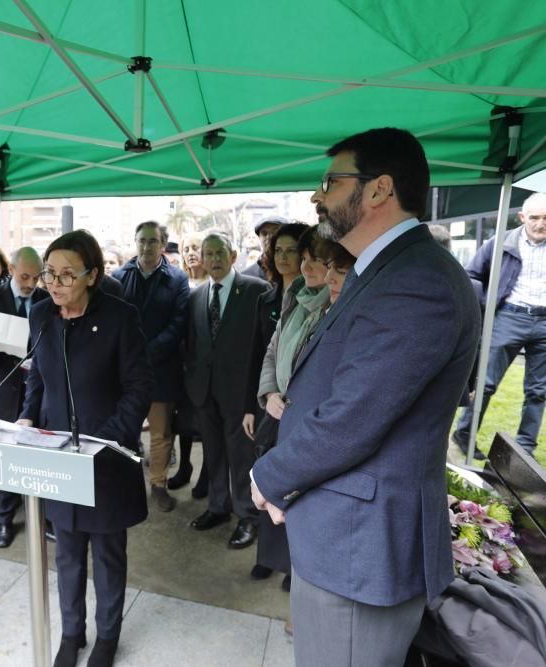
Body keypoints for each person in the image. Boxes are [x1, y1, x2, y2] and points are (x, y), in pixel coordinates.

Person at [251, 128, 480, 666]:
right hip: (344, 536)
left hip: (360, 550)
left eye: (331, 182)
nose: (317, 196)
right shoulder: (385, 271)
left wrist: (270, 476)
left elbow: (352, 417)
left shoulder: (415, 280)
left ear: (378, 190)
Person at [18, 230, 152, 667]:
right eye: (48, 274)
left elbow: (138, 386)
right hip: (58, 457)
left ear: (92, 275)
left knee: (109, 555)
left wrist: (110, 438)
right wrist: (26, 417)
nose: (54, 284)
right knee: (69, 553)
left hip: (106, 457)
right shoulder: (41, 316)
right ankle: (71, 633)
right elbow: (37, 375)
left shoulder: (121, 316)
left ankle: (108, 637)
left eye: (66, 275)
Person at [243, 225, 323, 592]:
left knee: (296, 491)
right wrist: (268, 393)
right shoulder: (294, 297)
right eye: (298, 256)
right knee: (269, 482)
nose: (303, 265)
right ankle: (270, 558)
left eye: (312, 258)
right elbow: (271, 352)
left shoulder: (334, 304)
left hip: (305, 420)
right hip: (275, 411)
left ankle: (295, 565)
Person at [184, 233, 270, 549]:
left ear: (233, 255)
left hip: (241, 394)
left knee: (241, 456)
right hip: (204, 393)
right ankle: (218, 507)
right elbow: (192, 346)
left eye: (220, 252)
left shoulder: (256, 291)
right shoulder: (196, 297)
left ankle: (248, 515)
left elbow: (264, 348)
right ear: (202, 259)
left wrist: (255, 399)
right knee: (214, 453)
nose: (214, 259)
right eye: (208, 253)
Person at [453, 191, 546, 456]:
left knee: (538, 391)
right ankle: (464, 435)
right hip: (509, 316)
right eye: (535, 218)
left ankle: (525, 447)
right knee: (486, 382)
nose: (541, 224)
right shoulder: (501, 242)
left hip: (544, 320)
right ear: (522, 217)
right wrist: (487, 307)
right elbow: (471, 275)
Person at [0, 247, 49, 547]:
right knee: (1, 455)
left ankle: (45, 516)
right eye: (25, 276)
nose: (31, 283)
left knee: (39, 454)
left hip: (38, 389)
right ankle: (4, 519)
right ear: (11, 270)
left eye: (36, 277)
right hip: (1, 386)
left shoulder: (45, 298)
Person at [112, 221, 189, 512]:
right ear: (135, 242)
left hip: (162, 369)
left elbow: (179, 322)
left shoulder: (177, 278)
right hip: (127, 372)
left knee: (160, 433)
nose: (146, 247)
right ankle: (124, 484)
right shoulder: (119, 277)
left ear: (162, 244)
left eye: (152, 241)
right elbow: (114, 322)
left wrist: (147, 351)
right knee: (125, 430)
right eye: (141, 240)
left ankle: (158, 485)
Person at [167, 230, 210, 495]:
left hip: (206, 365)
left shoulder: (213, 281)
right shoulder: (180, 282)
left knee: (206, 422)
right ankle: (185, 467)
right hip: (181, 363)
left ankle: (206, 472)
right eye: (187, 248)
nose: (191, 252)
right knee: (183, 420)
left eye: (196, 247)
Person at [242, 215, 287, 280]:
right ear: (259, 238)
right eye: (264, 233)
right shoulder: (247, 276)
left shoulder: (302, 271)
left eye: (275, 232)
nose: (269, 237)